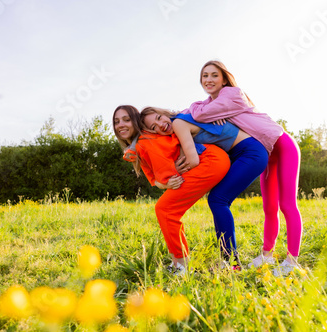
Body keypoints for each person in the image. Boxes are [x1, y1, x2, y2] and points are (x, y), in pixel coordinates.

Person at [184, 60, 303, 276]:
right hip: (267, 151)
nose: (208, 80)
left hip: (282, 144)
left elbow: (198, 115)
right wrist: (203, 109)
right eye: (204, 76)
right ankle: (267, 255)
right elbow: (186, 115)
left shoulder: (232, 94)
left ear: (224, 79)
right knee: (269, 207)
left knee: (286, 204)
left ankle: (292, 261)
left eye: (214, 75)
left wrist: (201, 109)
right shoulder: (210, 103)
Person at [141, 107, 269, 269]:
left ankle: (231, 263)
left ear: (165, 114)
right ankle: (229, 261)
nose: (160, 125)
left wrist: (177, 172)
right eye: (154, 127)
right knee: (217, 200)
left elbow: (193, 160)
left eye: (159, 118)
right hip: (240, 153)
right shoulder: (180, 124)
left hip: (250, 152)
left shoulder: (179, 123)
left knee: (218, 200)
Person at [112, 105, 230, 274]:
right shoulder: (141, 143)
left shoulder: (145, 141)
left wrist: (166, 179)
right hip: (213, 158)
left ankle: (180, 264)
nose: (121, 125)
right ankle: (179, 262)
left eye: (126, 119)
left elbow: (167, 177)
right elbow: (157, 179)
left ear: (136, 122)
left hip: (209, 160)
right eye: (116, 122)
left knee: (165, 209)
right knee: (167, 209)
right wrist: (164, 181)